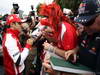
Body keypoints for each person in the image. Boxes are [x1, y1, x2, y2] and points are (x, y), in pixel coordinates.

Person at [38, 2, 78, 75]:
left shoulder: (66, 29)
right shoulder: (57, 26)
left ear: (53, 16)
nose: (45, 20)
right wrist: (48, 37)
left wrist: (51, 48)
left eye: (47, 17)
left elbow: (71, 57)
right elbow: (59, 42)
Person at [65, 0, 100, 75]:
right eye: (82, 23)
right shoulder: (86, 32)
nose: (85, 27)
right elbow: (80, 44)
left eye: (88, 22)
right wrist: (74, 50)